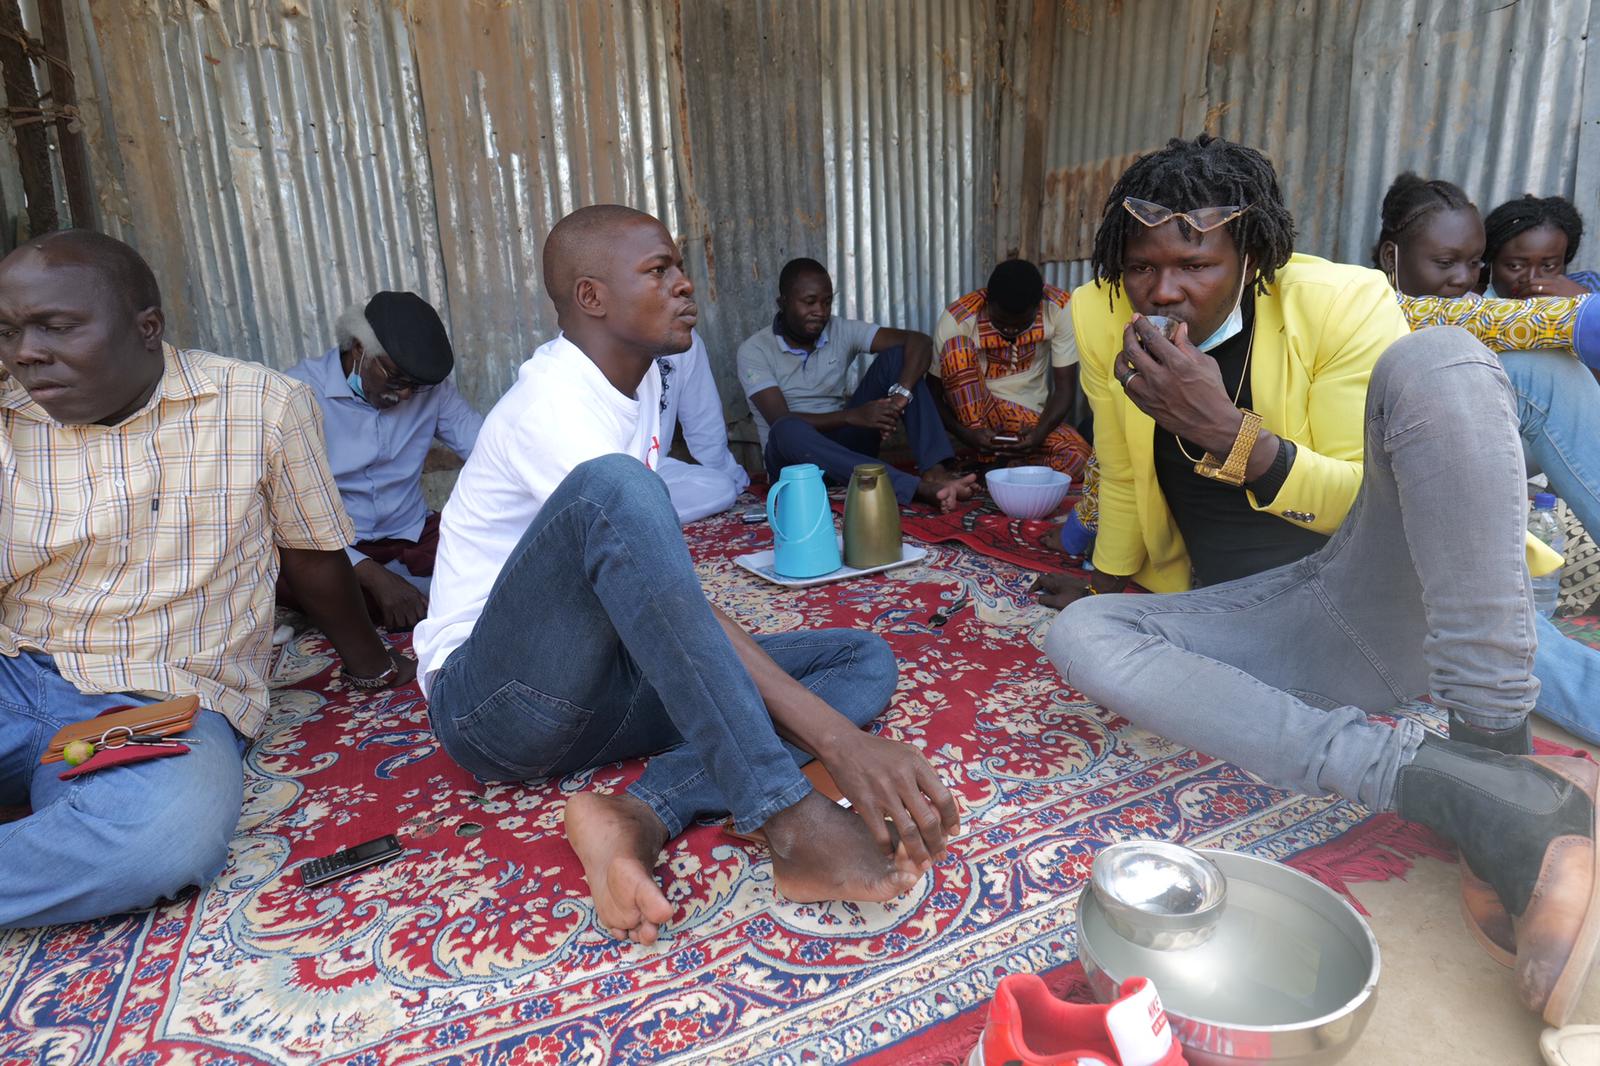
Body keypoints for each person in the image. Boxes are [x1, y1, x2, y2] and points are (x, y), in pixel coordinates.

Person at [1039, 136, 1599, 1026]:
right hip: (1264, 622)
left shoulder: (1340, 300)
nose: (1164, 289)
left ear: (1252, 254)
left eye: (1195, 262)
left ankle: (1496, 750)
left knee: (1443, 358)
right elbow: (1116, 455)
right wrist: (1107, 575)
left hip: (1382, 582)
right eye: (1142, 265)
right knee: (1081, 636)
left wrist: (1236, 441)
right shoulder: (1103, 313)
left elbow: (1370, 501)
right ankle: (1476, 795)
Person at [414, 206, 959, 946]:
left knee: (858, 660)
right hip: (495, 707)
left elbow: (664, 601)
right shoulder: (549, 404)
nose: (685, 286)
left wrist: (835, 728)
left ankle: (639, 814)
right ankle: (786, 817)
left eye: (678, 266)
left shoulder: (638, 386)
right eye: (658, 270)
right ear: (591, 296)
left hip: (595, 690)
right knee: (622, 492)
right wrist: (837, 742)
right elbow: (668, 588)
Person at [0, 230, 413, 929]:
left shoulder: (260, 406)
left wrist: (371, 667)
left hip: (147, 698)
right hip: (14, 672)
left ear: (147, 328)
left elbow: (311, 556)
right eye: (9, 332)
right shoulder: (9, 415)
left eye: (56, 327)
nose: (26, 352)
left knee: (163, 834)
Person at [1373, 171, 1600, 743]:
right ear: (1390, 257)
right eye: (1445, 262)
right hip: (1362, 504)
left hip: (1452, 476)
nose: (1463, 280)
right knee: (1483, 611)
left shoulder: (1469, 306)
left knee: (1547, 372)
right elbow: (1512, 322)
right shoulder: (1375, 304)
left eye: (1473, 263)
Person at [282, 292, 483, 631]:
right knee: (294, 574)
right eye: (396, 379)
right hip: (335, 546)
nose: (405, 395)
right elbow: (291, 516)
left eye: (414, 386)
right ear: (359, 348)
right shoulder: (299, 394)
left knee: (497, 562)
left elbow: (486, 448)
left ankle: (402, 599)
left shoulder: (430, 390)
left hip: (413, 533)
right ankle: (413, 597)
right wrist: (375, 576)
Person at [737, 257, 974, 511]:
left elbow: (919, 342)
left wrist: (899, 397)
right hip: (794, 464)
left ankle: (935, 470)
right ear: (782, 303)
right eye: (809, 302)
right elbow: (779, 419)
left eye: (827, 302)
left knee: (898, 356)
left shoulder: (839, 330)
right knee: (786, 428)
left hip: (846, 449)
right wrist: (853, 416)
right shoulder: (755, 350)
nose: (820, 311)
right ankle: (914, 488)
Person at [930, 259, 1091, 478]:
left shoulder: (1059, 308)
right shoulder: (958, 319)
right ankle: (989, 461)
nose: (1010, 329)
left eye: (1020, 323)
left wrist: (1038, 434)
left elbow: (1064, 390)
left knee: (1080, 457)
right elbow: (931, 394)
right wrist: (966, 434)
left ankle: (1003, 467)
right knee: (956, 348)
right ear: (988, 301)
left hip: (1029, 421)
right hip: (979, 417)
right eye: (1001, 322)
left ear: (1038, 307)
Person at [655, 328, 750, 523]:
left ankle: (616, 521)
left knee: (721, 488)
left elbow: (703, 419)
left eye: (688, 294)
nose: (685, 296)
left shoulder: (681, 335)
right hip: (591, 476)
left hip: (652, 470)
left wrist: (730, 475)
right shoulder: (591, 338)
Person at [1483, 193, 1600, 298]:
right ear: (1491, 260)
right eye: (1515, 266)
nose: (1532, 279)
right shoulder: (1473, 306)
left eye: (1548, 266)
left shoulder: (1587, 286)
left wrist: (1584, 301)